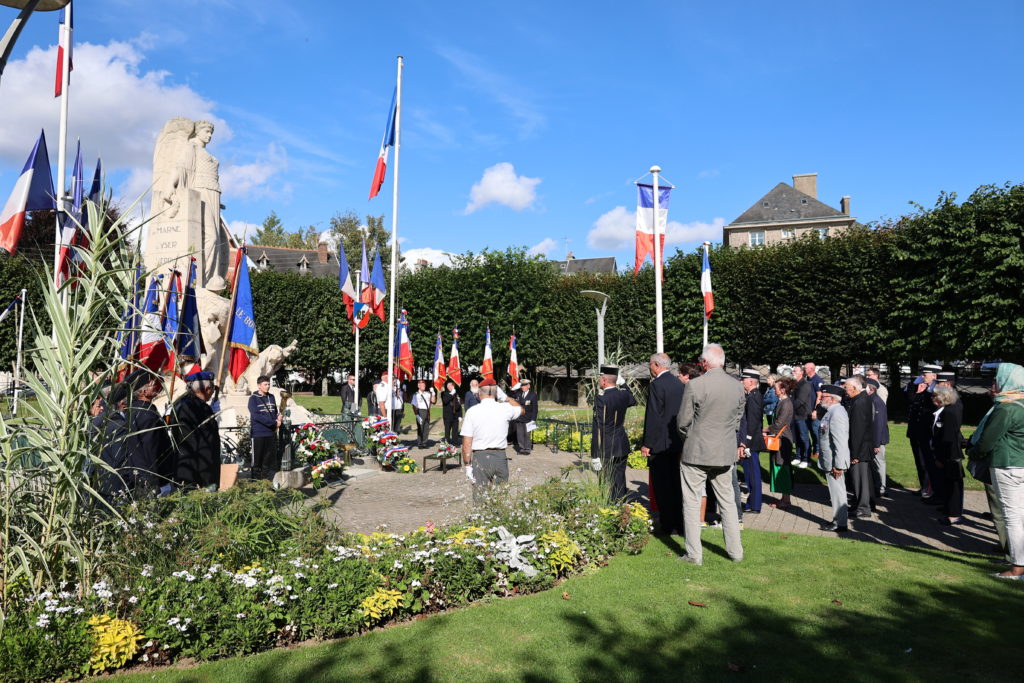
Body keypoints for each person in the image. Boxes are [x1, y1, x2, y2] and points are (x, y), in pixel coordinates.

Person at [676, 344, 746, 565]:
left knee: (692, 502)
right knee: (728, 503)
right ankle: (736, 553)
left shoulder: (696, 385)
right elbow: (737, 420)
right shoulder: (737, 387)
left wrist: (690, 439)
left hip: (697, 452)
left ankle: (694, 555)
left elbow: (682, 422)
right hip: (724, 452)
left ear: (705, 363)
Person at [970, 363, 1024, 578]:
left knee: (1012, 517)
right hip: (1019, 464)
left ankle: (1017, 566)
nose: (994, 383)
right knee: (1019, 515)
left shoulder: (1006, 408)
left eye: (997, 379)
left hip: (1007, 464)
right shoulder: (1020, 404)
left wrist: (974, 453)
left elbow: (987, 441)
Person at [641, 353, 685, 535]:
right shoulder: (678, 384)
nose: (649, 368)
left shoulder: (657, 385)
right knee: (676, 484)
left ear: (657, 365)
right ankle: (679, 523)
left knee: (662, 486)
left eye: (650, 364)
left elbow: (654, 417)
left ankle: (668, 525)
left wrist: (647, 444)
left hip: (660, 443)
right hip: (677, 442)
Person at [460, 379, 524, 501]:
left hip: (480, 457)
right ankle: (499, 517)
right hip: (500, 456)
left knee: (480, 496)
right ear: (496, 394)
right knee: (500, 496)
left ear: (479, 393)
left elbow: (467, 442)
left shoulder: (472, 411)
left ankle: (480, 518)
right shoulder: (505, 408)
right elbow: (521, 409)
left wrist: (467, 465)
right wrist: (506, 398)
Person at [123, 371, 174, 497]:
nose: (154, 385)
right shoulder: (147, 415)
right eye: (150, 384)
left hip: (139, 476)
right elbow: (151, 449)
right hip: (152, 478)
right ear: (143, 392)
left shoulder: (134, 410)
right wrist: (154, 481)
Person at [591, 365, 638, 501]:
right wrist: (623, 384)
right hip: (621, 443)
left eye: (600, 379)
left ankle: (609, 506)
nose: (599, 381)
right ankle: (622, 504)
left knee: (606, 481)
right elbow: (633, 400)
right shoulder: (623, 394)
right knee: (619, 477)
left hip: (606, 446)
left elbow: (598, 428)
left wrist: (595, 454)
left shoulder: (601, 399)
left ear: (604, 380)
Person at [172, 371, 220, 491]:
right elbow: (206, 445)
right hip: (199, 472)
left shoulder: (179, 403)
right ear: (207, 388)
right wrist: (208, 479)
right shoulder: (201, 409)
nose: (213, 391)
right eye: (213, 388)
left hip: (183, 468)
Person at [931, 384, 965, 525]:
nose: (931, 398)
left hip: (950, 455)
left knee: (954, 485)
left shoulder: (949, 412)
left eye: (934, 396)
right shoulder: (945, 410)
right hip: (948, 454)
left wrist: (940, 457)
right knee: (948, 483)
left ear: (941, 398)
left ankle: (954, 514)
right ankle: (948, 508)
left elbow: (948, 438)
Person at [817, 385, 850, 532]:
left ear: (832, 398)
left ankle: (840, 523)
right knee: (836, 492)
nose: (821, 398)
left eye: (824, 396)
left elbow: (840, 441)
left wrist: (838, 465)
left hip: (834, 462)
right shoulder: (831, 412)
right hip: (831, 460)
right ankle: (838, 520)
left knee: (838, 492)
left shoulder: (836, 413)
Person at [907, 364, 941, 497]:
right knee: (919, 461)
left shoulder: (937, 390)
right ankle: (923, 487)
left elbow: (931, 407)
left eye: (925, 375)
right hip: (915, 430)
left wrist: (925, 393)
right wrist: (918, 392)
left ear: (934, 375)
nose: (922, 377)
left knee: (928, 462)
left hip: (927, 432)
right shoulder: (919, 386)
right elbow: (911, 401)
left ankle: (931, 489)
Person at [845, 376, 875, 521]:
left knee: (860, 480)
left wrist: (854, 453)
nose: (845, 391)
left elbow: (858, 430)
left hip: (860, 449)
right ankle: (859, 505)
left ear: (855, 388)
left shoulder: (860, 402)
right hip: (861, 448)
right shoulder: (860, 399)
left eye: (847, 388)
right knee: (857, 479)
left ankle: (863, 508)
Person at [737, 369, 766, 514]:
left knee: (753, 475)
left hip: (752, 442)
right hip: (751, 441)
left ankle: (755, 505)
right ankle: (751, 503)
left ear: (751, 381)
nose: (742, 382)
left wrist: (746, 441)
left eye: (744, 380)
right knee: (749, 474)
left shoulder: (754, 397)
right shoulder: (752, 396)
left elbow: (753, 422)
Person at [765, 376, 795, 508]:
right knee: (780, 466)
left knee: (782, 467)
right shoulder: (782, 402)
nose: (774, 390)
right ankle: (784, 498)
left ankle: (786, 500)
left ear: (783, 390)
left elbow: (779, 424)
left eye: (776, 388)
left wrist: (766, 429)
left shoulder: (786, 403)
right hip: (781, 438)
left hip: (783, 440)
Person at [248, 374, 282, 481]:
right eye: (265, 384)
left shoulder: (271, 397)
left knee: (267, 460)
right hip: (259, 433)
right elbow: (257, 416)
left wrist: (278, 418)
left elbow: (274, 411)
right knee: (257, 461)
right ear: (259, 386)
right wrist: (274, 423)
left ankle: (265, 483)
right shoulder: (253, 399)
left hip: (270, 433)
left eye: (269, 384)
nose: (268, 386)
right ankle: (255, 483)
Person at [866, 378, 890, 498]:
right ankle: (876, 486)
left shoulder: (876, 401)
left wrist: (876, 444)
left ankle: (881, 487)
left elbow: (878, 424)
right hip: (873, 439)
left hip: (877, 439)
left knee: (879, 463)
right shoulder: (871, 400)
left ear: (871, 389)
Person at [790, 365, 814, 469]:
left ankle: (806, 459)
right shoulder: (796, 384)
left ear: (801, 372)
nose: (793, 372)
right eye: (793, 370)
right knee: (798, 437)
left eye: (795, 371)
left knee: (804, 438)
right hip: (796, 415)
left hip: (803, 415)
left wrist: (789, 406)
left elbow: (800, 401)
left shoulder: (805, 384)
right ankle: (798, 456)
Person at [512, 378, 538, 455]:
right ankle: (521, 448)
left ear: (528, 386)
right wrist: (514, 388)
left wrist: (533, 419)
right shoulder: (518, 394)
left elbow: (535, 408)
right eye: (521, 386)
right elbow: (510, 396)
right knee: (519, 434)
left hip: (528, 418)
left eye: (524, 385)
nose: (522, 387)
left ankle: (527, 448)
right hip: (519, 417)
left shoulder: (533, 395)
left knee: (527, 434)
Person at [804, 362, 824, 458]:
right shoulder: (807, 379)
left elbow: (819, 396)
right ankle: (814, 450)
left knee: (816, 432)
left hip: (815, 411)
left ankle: (819, 451)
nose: (804, 370)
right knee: (811, 432)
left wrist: (816, 410)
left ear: (811, 369)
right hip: (807, 411)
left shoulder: (817, 380)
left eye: (805, 368)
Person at [411, 379, 435, 448]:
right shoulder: (416, 395)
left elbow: (433, 401)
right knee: (420, 428)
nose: (424, 386)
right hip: (420, 411)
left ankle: (424, 442)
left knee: (426, 428)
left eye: (424, 385)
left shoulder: (427, 393)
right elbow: (414, 405)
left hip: (427, 411)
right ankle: (420, 443)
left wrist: (433, 393)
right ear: (418, 386)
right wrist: (417, 415)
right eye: (422, 385)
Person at [440, 379, 462, 445]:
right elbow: (445, 401)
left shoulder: (456, 394)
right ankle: (447, 443)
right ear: (446, 387)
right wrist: (452, 394)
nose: (450, 387)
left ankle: (455, 442)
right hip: (447, 415)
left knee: (455, 430)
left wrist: (460, 415)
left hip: (455, 415)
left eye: (451, 385)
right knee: (447, 430)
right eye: (448, 385)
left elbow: (459, 405)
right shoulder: (444, 393)